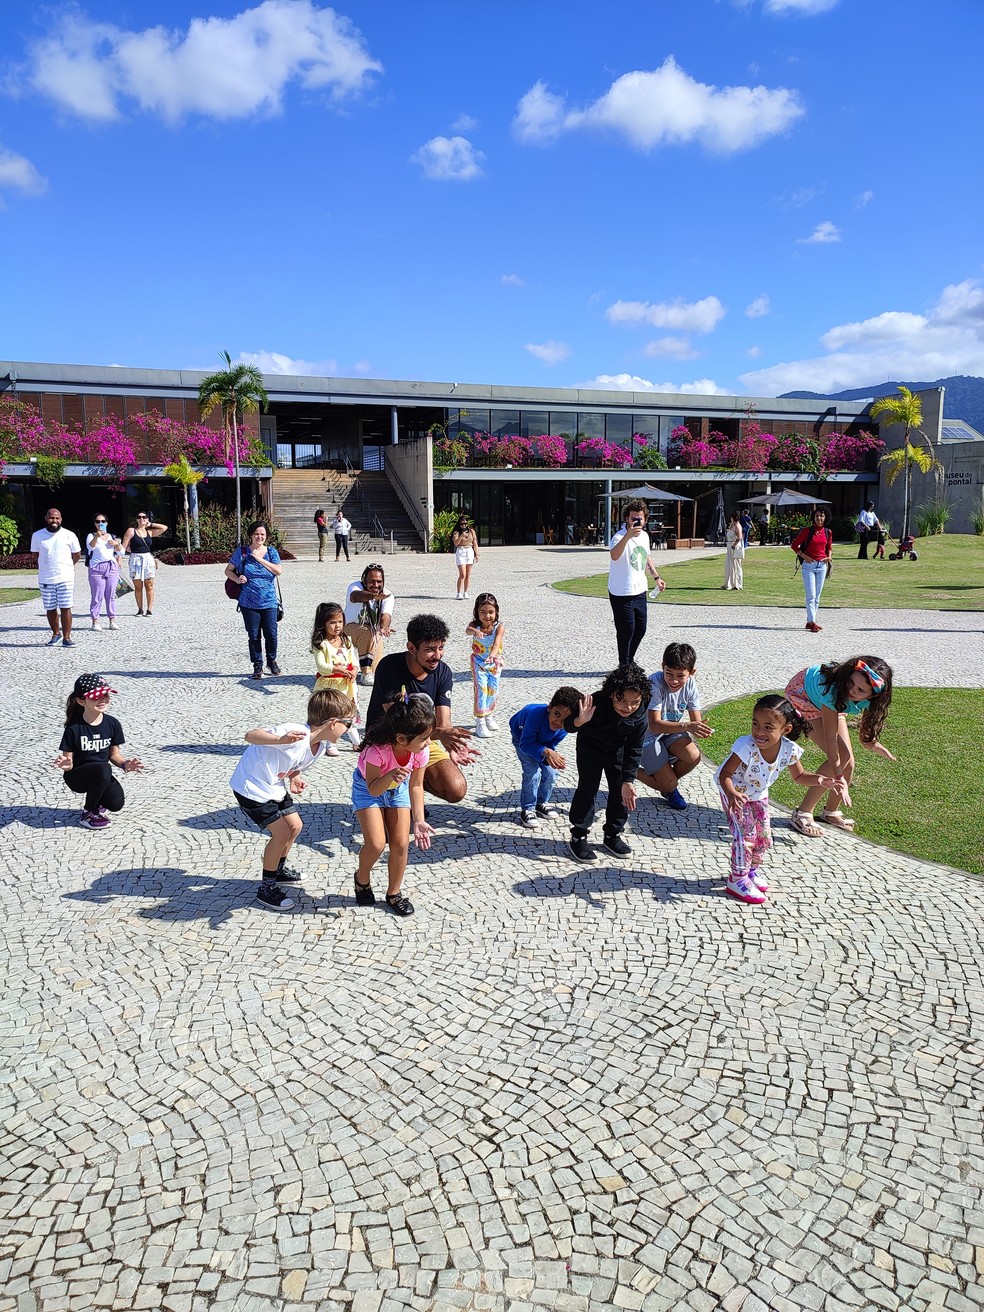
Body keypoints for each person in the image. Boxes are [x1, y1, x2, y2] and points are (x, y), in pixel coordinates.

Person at [230, 687, 356, 911]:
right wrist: (278, 739)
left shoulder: (319, 747)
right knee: (281, 833)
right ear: (333, 723)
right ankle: (266, 888)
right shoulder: (295, 733)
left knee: (295, 826)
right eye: (349, 723)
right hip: (251, 787)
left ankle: (277, 871)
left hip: (273, 786)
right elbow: (250, 735)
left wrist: (294, 777)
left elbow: (293, 763)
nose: (350, 728)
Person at [716, 695, 843, 905]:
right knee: (745, 836)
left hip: (759, 794)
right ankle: (737, 879)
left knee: (764, 837)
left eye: (768, 727)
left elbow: (800, 777)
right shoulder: (746, 747)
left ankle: (751, 871)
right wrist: (731, 794)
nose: (759, 732)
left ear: (785, 729)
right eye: (755, 724)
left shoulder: (788, 749)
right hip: (735, 793)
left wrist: (821, 780)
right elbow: (725, 774)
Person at [364, 613, 480, 803]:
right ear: (411, 647)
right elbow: (399, 724)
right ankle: (399, 792)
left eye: (441, 648)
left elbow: (444, 724)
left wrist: (451, 743)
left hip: (423, 737)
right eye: (430, 649)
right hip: (388, 740)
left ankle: (413, 785)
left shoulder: (443, 672)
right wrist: (439, 733)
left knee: (456, 789)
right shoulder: (389, 667)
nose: (437, 655)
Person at [784, 656, 895, 837]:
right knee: (842, 758)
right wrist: (839, 777)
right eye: (851, 683)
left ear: (873, 695)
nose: (852, 690)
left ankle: (830, 812)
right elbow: (830, 739)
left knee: (848, 762)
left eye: (860, 690)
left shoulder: (864, 695)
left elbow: (867, 719)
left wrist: (870, 743)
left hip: (832, 702)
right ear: (848, 674)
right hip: (803, 696)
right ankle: (802, 813)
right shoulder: (835, 689)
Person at [352, 694, 436, 918]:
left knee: (400, 843)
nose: (429, 742)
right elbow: (373, 789)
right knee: (377, 843)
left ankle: (394, 893)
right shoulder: (376, 751)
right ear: (401, 739)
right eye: (424, 738)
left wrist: (419, 820)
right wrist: (389, 774)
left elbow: (416, 786)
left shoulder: (420, 750)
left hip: (398, 787)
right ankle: (361, 879)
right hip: (370, 787)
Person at [568, 662, 651, 863]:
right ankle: (578, 834)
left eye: (635, 702)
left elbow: (635, 748)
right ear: (612, 693)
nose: (628, 707)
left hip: (618, 751)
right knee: (588, 788)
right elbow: (568, 726)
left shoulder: (640, 714)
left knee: (620, 789)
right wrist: (580, 721)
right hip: (590, 747)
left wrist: (629, 779)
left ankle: (612, 835)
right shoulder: (595, 701)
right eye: (622, 701)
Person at [53, 673, 143, 829]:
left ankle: (97, 798)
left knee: (116, 803)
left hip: (101, 774)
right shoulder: (74, 728)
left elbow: (114, 754)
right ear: (81, 701)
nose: (103, 700)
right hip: (77, 776)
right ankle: (88, 812)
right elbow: (69, 764)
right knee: (103, 767)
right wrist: (66, 764)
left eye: (105, 695)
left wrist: (124, 764)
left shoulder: (113, 724)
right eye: (96, 697)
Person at [636, 642, 714, 811]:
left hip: (669, 732)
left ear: (691, 673)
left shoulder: (691, 684)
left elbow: (696, 721)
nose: (674, 680)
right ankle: (627, 768)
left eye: (680, 675)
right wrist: (687, 725)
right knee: (668, 783)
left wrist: (700, 729)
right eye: (669, 673)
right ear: (662, 667)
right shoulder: (654, 684)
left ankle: (667, 783)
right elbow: (655, 725)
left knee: (693, 756)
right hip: (646, 736)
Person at [510, 686, 591, 830]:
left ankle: (542, 802)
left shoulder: (564, 728)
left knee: (551, 772)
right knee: (532, 773)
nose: (558, 722)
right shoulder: (535, 716)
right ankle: (527, 808)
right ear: (550, 707)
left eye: (565, 720)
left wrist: (549, 753)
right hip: (522, 737)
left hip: (544, 743)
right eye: (557, 714)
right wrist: (546, 752)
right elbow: (526, 744)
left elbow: (552, 742)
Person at [607, 500, 664, 664]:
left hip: (639, 590)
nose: (636, 522)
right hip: (621, 592)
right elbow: (614, 555)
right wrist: (628, 535)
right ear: (627, 519)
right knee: (626, 630)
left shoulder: (645, 536)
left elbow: (646, 557)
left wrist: (656, 577)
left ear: (645, 519)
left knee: (641, 628)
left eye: (639, 518)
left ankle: (629, 660)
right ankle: (624, 665)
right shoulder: (619, 537)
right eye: (633, 518)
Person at [224, 520, 283, 680]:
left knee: (271, 634)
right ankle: (257, 664)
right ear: (251, 535)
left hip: (269, 600)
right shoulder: (242, 552)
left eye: (262, 534)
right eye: (256, 534)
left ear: (266, 536)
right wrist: (237, 579)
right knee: (254, 634)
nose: (259, 537)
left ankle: (271, 661)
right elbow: (228, 570)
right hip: (248, 601)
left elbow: (278, 571)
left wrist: (259, 559)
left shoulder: (271, 552)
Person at [311, 601, 362, 754]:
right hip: (329, 685)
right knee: (331, 716)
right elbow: (321, 666)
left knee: (348, 714)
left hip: (347, 685)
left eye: (340, 621)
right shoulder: (321, 644)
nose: (337, 626)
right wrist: (336, 669)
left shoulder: (346, 641)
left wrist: (354, 670)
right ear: (323, 624)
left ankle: (356, 742)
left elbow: (353, 659)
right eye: (332, 622)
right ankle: (330, 744)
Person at [31, 507, 81, 647]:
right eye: (52, 518)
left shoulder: (69, 535)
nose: (54, 520)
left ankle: (67, 638)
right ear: (46, 518)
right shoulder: (37, 535)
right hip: (46, 578)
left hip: (65, 577)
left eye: (57, 518)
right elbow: (36, 555)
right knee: (50, 608)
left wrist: (66, 566)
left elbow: (76, 555)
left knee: (66, 607)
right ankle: (55, 634)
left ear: (61, 519)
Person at [344, 564, 395, 686]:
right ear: (364, 581)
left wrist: (384, 627)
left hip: (371, 633)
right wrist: (372, 596)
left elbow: (386, 616)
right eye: (371, 581)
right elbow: (355, 597)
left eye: (379, 582)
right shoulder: (355, 586)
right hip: (348, 630)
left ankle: (370, 670)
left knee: (377, 672)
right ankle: (366, 673)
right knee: (368, 631)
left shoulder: (387, 595)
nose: (376, 585)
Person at [466, 592, 505, 738]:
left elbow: (496, 644)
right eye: (483, 612)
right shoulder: (475, 625)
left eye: (490, 612)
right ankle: (480, 721)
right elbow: (468, 630)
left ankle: (489, 715)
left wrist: (492, 656)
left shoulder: (499, 627)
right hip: (478, 662)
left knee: (492, 690)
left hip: (494, 662)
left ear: (496, 612)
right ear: (477, 612)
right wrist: (475, 631)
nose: (487, 616)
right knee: (481, 689)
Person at [790, 508, 833, 632]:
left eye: (822, 516)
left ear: (826, 518)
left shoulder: (828, 532)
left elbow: (829, 546)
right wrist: (805, 557)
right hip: (809, 566)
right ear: (814, 518)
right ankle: (813, 622)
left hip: (822, 566)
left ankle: (810, 621)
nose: (819, 518)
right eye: (817, 516)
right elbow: (794, 545)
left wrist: (829, 557)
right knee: (811, 595)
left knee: (817, 596)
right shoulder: (807, 531)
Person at [121, 511, 167, 616]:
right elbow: (123, 547)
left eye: (144, 517)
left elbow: (164, 528)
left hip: (148, 559)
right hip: (135, 559)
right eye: (139, 517)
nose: (141, 519)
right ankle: (140, 609)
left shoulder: (149, 532)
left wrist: (150, 524)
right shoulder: (131, 531)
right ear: (136, 519)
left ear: (147, 519)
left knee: (149, 585)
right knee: (138, 586)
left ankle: (149, 609)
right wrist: (118, 559)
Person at [86, 512, 123, 631]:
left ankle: (112, 619)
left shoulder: (112, 536)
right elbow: (90, 547)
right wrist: (97, 536)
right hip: (96, 568)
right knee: (97, 595)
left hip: (111, 567)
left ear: (106, 523)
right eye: (98, 522)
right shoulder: (91, 536)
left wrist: (117, 544)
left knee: (111, 595)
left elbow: (121, 552)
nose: (100, 524)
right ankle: (95, 621)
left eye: (103, 521)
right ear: (94, 524)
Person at [452, 515, 479, 600]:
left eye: (465, 523)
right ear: (459, 524)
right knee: (462, 574)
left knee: (468, 574)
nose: (464, 525)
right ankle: (459, 593)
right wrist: (461, 536)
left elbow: (475, 543)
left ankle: (466, 592)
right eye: (462, 524)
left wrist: (477, 554)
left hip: (469, 551)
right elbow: (456, 543)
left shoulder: (471, 531)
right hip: (461, 551)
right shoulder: (456, 532)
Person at [723, 512, 745, 591]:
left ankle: (737, 583)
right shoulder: (732, 525)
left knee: (735, 565)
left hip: (734, 546)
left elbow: (739, 537)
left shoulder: (737, 526)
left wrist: (733, 546)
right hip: (729, 546)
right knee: (729, 565)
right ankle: (728, 583)